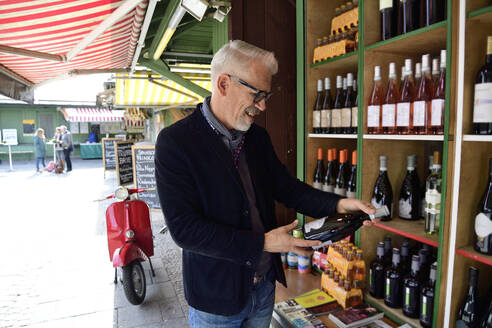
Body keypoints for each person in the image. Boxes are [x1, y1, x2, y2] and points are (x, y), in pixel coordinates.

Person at [155, 40, 376, 328]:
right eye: (257, 94)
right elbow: (185, 230)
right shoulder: (176, 143)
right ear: (223, 84)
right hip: (216, 299)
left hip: (264, 290)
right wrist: (264, 243)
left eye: (266, 95)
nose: (262, 105)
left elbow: (287, 188)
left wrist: (338, 203)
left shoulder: (257, 138)